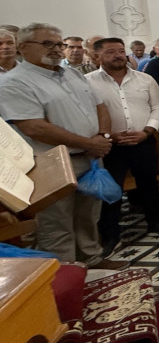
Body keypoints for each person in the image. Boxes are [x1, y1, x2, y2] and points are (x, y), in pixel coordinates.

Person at [0, 23, 125, 269]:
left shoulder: (71, 73)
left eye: (59, 44)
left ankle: (91, 257)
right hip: (50, 161)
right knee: (57, 222)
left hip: (89, 156)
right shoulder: (15, 82)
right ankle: (66, 272)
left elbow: (99, 105)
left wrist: (101, 136)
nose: (57, 49)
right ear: (24, 47)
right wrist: (88, 143)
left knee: (88, 214)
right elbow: (34, 127)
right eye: (48, 44)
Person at [86, 37, 159, 248]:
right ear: (97, 56)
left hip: (142, 139)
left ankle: (156, 222)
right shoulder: (88, 82)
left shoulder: (144, 79)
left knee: (149, 184)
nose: (118, 55)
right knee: (112, 189)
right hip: (110, 145)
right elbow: (86, 114)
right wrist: (108, 135)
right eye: (110, 52)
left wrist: (147, 130)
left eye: (120, 50)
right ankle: (111, 233)